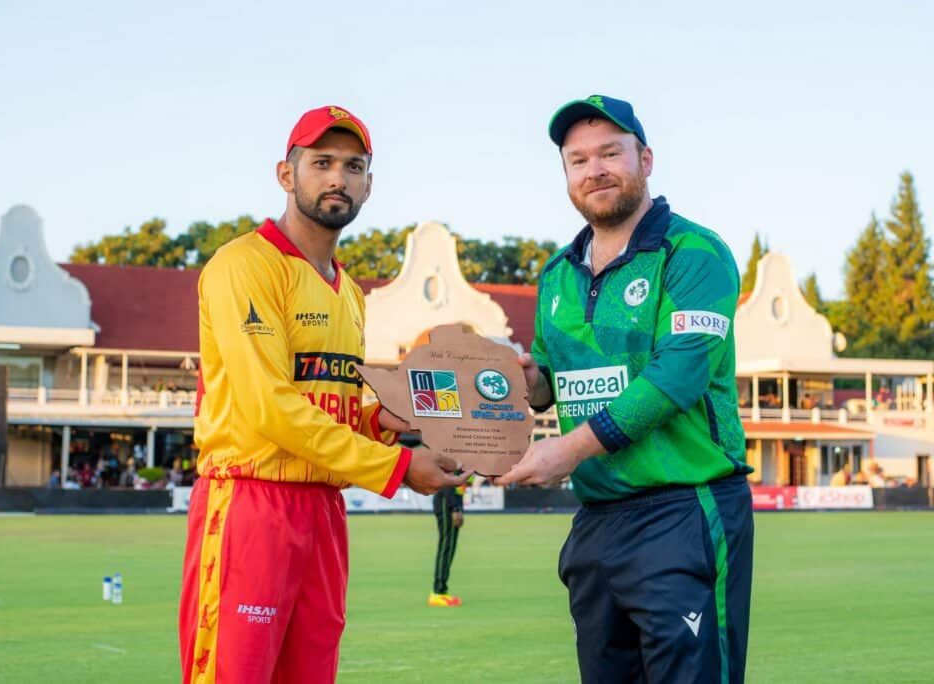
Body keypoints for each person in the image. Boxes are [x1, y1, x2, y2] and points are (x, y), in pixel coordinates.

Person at [178, 105, 468, 684]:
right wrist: (397, 466)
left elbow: (326, 406)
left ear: (368, 184)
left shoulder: (350, 292)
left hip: (324, 515)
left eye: (353, 166)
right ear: (287, 175)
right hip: (250, 505)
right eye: (322, 162)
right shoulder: (243, 266)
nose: (338, 177)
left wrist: (384, 420)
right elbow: (269, 407)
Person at [497, 94, 755, 683]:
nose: (595, 170)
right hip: (597, 520)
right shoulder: (558, 272)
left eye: (610, 153)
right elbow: (552, 383)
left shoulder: (694, 253)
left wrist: (565, 451)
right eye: (578, 159)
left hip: (684, 509)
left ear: (646, 159)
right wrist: (531, 380)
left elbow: (677, 377)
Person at [429, 483, 465, 607]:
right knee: (446, 547)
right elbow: (447, 482)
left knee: (449, 548)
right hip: (446, 503)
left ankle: (441, 591)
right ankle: (438, 592)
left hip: (450, 502)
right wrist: (455, 508)